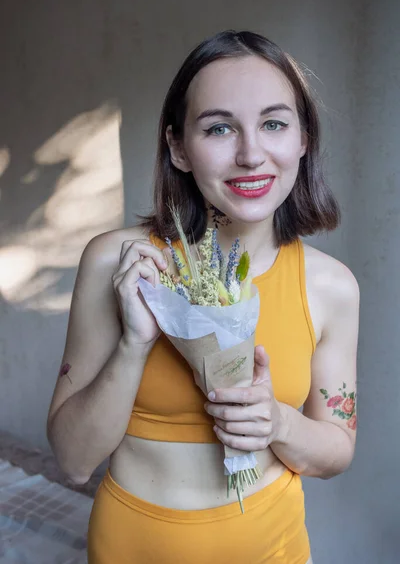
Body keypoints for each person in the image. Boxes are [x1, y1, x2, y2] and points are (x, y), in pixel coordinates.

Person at [47, 30, 359, 564]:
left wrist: (277, 422)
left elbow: (336, 452)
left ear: (303, 140)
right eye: (219, 128)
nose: (251, 154)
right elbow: (74, 463)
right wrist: (133, 344)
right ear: (177, 148)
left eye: (274, 124)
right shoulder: (116, 263)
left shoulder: (330, 286)